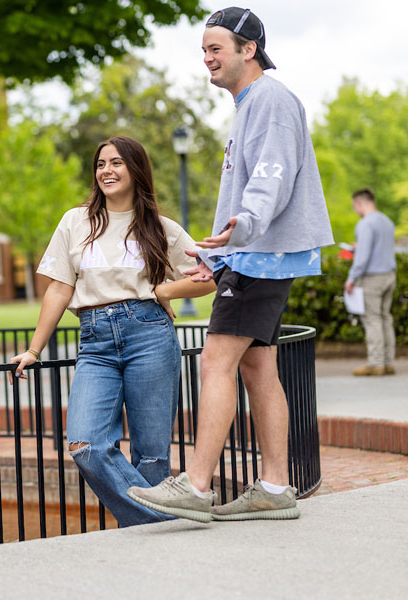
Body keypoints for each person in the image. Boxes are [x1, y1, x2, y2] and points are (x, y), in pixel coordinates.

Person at [128, 7, 334, 522]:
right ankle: (274, 486)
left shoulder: (270, 99)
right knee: (257, 367)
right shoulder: (252, 105)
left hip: (260, 258)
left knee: (214, 359)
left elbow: (271, 177)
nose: (207, 59)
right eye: (203, 50)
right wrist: (219, 253)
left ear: (249, 49)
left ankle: (196, 487)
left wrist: (240, 230)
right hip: (254, 255)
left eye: (216, 48)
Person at [9, 136, 215, 527]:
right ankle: (162, 520)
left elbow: (207, 277)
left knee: (152, 454)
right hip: (95, 340)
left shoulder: (161, 228)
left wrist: (163, 290)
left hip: (149, 333)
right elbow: (59, 287)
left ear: (136, 170)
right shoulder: (75, 221)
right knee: (85, 444)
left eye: (117, 163)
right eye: (101, 164)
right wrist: (34, 350)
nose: (106, 170)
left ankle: (148, 546)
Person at [345, 188, 397, 376]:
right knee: (385, 318)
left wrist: (351, 278)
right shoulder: (387, 221)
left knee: (372, 320)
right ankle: (388, 362)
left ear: (360, 203)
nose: (355, 210)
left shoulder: (366, 224)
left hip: (372, 278)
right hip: (389, 275)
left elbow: (364, 256)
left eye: (354, 206)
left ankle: (376, 363)